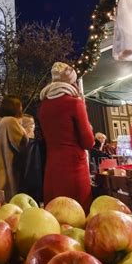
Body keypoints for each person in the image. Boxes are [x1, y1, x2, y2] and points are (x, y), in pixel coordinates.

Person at [38, 62, 95, 210]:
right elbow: (88, 142)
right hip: (74, 168)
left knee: (55, 216)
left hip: (52, 168)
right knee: (77, 215)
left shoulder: (44, 105)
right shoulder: (75, 103)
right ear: (72, 81)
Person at [0, 95, 28, 201]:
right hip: (11, 168)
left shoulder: (2, 121)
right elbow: (21, 144)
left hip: (3, 167)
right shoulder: (10, 121)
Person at [19, 114, 45, 203]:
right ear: (29, 126)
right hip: (33, 186)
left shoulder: (20, 143)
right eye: (32, 124)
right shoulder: (32, 145)